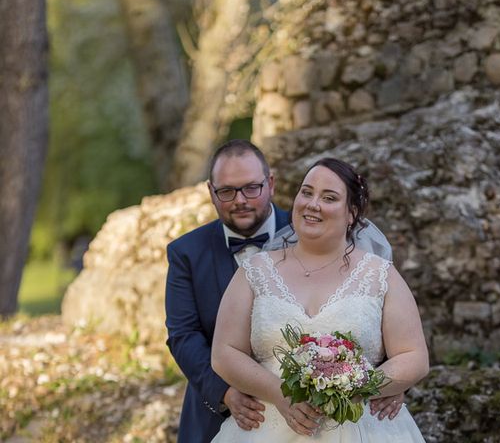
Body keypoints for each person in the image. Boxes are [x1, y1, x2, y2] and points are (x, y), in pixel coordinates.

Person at [165, 141, 403, 442]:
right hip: (238, 414)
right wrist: (225, 393)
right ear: (211, 192)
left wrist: (390, 382)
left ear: (271, 183)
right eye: (227, 191)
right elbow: (183, 335)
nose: (240, 200)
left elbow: (376, 321)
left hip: (351, 419)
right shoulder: (186, 252)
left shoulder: (315, 222)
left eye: (251, 188)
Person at [211, 157, 430, 442]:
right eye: (307, 192)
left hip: (361, 427)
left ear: (351, 213)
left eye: (329, 197)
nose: (313, 204)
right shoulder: (255, 271)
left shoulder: (380, 275)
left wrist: (358, 387)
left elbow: (414, 357)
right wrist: (279, 393)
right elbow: (224, 352)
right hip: (267, 426)